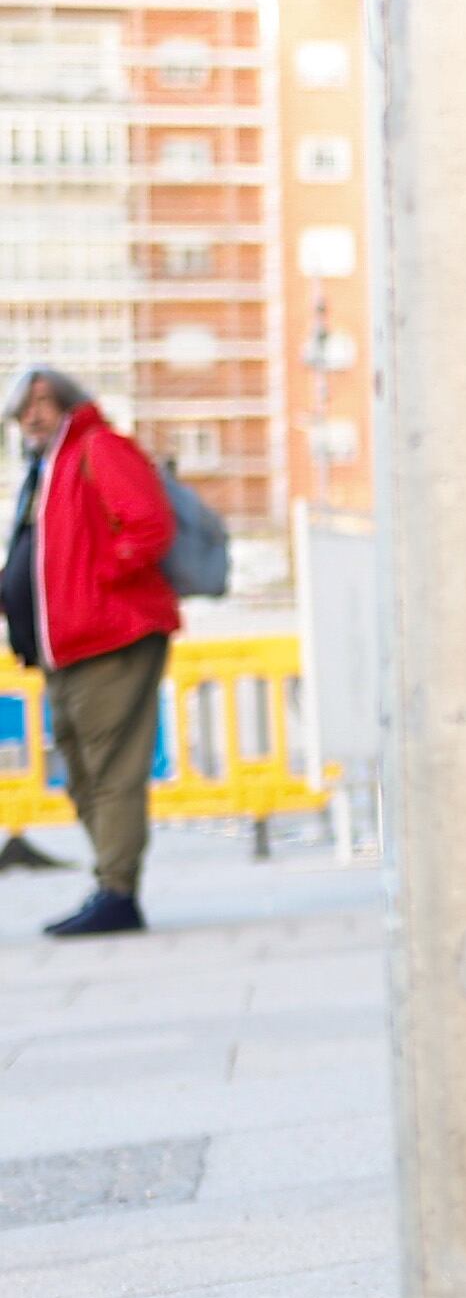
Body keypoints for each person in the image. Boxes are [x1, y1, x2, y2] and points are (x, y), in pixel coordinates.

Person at [6, 370, 177, 938]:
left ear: (67, 404)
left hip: (112, 635)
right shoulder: (45, 471)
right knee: (81, 774)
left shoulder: (97, 448)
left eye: (45, 403)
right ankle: (110, 883)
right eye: (24, 407)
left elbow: (149, 526)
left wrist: (97, 583)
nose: (33, 416)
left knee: (111, 770)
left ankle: (117, 893)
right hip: (67, 647)